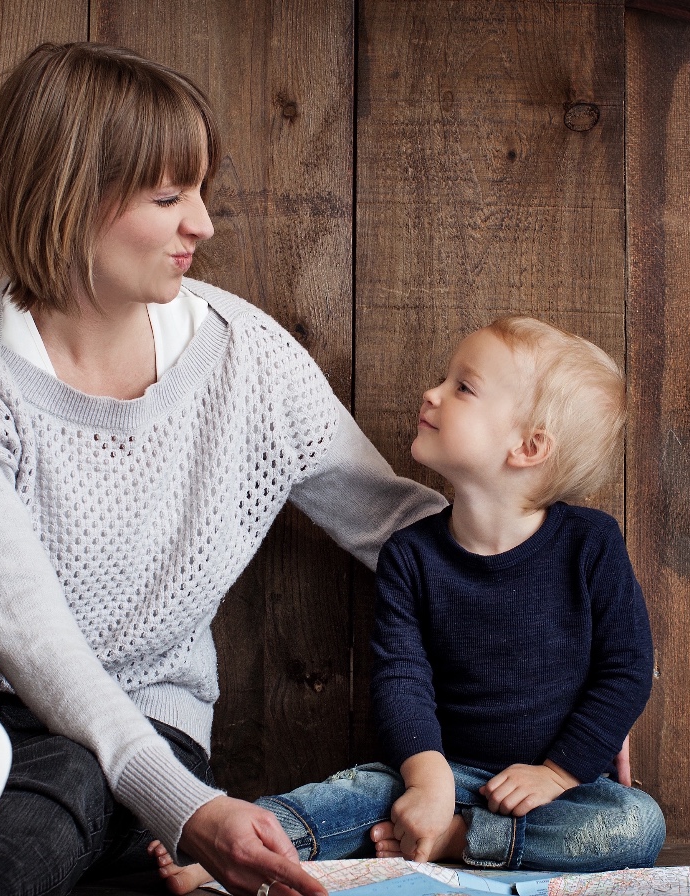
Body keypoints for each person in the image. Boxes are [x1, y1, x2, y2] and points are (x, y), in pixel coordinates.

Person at [0, 41, 445, 896]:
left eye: (201, 192)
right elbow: (29, 634)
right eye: (170, 196)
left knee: (73, 772)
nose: (202, 224)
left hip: (139, 722)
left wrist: (572, 658)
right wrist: (195, 813)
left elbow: (398, 526)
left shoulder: (254, 362)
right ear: (68, 198)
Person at [153, 317, 664, 893]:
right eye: (445, 379)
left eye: (463, 388)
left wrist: (558, 772)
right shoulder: (412, 555)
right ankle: (235, 850)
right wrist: (427, 780)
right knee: (351, 795)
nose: (433, 392)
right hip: (442, 769)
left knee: (635, 824)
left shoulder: (590, 545)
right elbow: (401, 678)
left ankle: (460, 840)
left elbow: (625, 670)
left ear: (529, 447)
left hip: (553, 791)